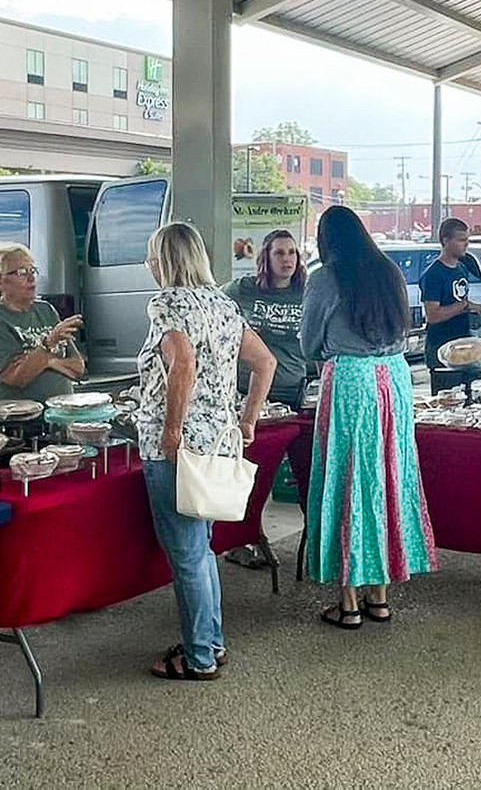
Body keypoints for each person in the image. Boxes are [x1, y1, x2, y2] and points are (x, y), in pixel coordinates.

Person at [134, 223, 275, 680]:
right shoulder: (225, 305)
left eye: (152, 256)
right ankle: (211, 642)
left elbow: (183, 364)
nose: (148, 265)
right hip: (216, 441)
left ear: (164, 261)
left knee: (187, 554)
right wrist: (248, 419)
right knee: (202, 548)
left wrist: (172, 430)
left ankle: (198, 657)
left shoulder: (165, 304)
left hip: (176, 448)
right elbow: (265, 362)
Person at [301, 205, 436, 629]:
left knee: (349, 482)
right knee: (386, 479)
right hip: (394, 382)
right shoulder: (389, 271)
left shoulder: (326, 277)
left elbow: (309, 341)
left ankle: (348, 603)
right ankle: (379, 596)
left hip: (350, 382)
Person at [222, 228, 308, 571]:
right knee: (250, 471)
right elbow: (214, 308)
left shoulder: (306, 292)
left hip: (292, 389)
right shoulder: (243, 290)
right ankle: (243, 539)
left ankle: (314, 537)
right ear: (266, 259)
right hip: (251, 393)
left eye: (291, 253)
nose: (287, 259)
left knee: (302, 467)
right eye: (279, 253)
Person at [0, 242, 85, 403]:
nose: (31, 278)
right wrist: (48, 344)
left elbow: (77, 368)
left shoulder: (46, 310)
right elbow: (16, 378)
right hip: (15, 419)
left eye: (33, 270)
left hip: (60, 412)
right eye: (21, 272)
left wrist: (44, 361)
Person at [419, 219, 481, 366]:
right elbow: (433, 315)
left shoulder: (462, 268)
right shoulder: (434, 274)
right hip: (442, 346)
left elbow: (458, 301)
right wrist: (463, 305)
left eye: (467, 239)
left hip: (463, 342)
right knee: (446, 388)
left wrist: (473, 308)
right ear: (445, 241)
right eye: (461, 240)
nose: (466, 244)